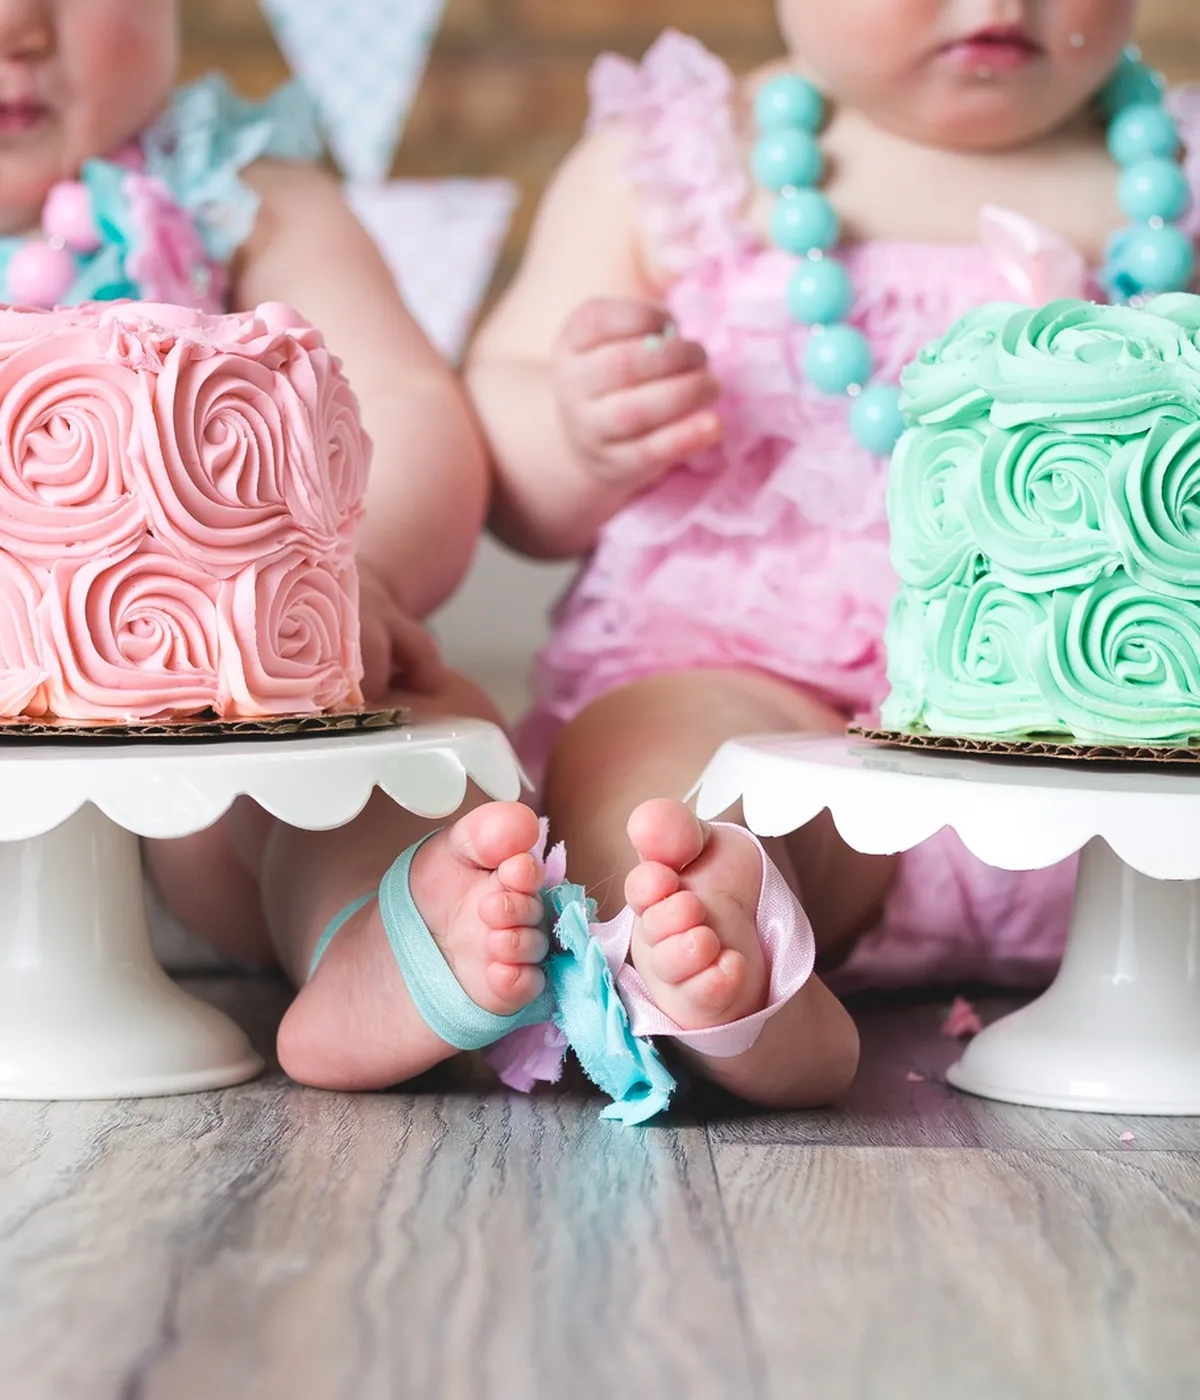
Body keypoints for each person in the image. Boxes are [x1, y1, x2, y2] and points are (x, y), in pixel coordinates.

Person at [467, 1, 1186, 1108]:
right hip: (768, 703)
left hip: (1133, 744)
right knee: (651, 767)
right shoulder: (682, 166)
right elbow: (508, 471)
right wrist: (573, 429)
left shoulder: (1177, 162)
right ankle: (733, 967)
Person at [0, 0, 553, 1090]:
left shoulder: (240, 195)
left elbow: (397, 406)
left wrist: (362, 577)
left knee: (385, 771)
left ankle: (370, 939)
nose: (16, 21)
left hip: (214, 756)